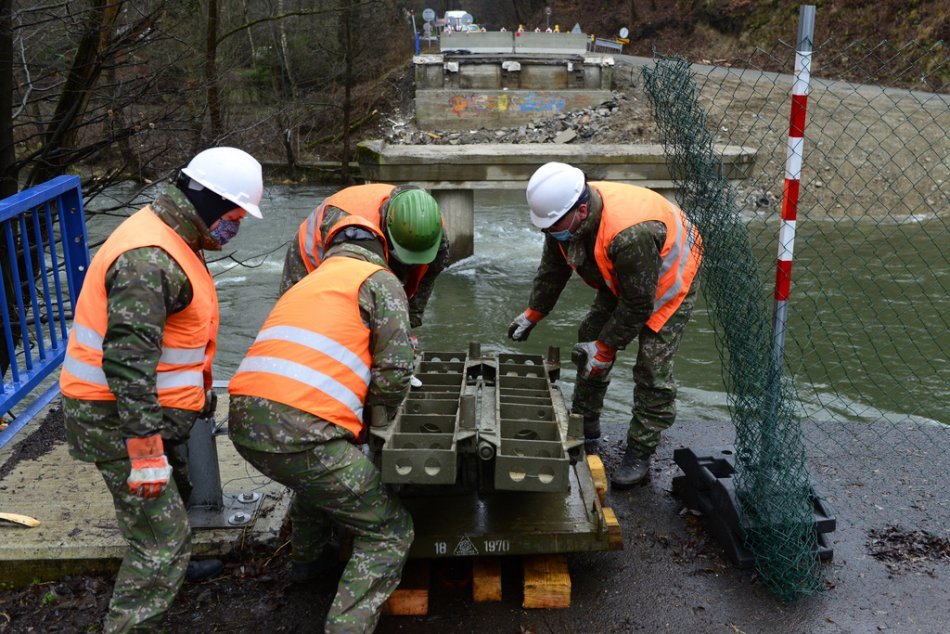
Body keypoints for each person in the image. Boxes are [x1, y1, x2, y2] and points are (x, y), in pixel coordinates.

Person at [59, 147, 265, 631]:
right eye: (235, 216)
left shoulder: (169, 232)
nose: (236, 226)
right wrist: (146, 449)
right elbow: (128, 363)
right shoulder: (149, 260)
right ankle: (137, 612)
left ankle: (174, 561)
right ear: (211, 202)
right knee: (159, 538)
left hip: (140, 411)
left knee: (174, 497)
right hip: (117, 419)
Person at [228, 215, 415, 633]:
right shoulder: (377, 280)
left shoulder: (307, 282)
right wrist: (376, 420)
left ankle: (307, 562)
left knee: (319, 479)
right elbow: (397, 370)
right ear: (382, 249)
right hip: (301, 431)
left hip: (243, 420)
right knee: (389, 529)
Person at [508, 162, 702, 489]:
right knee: (589, 338)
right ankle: (586, 427)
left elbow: (638, 304)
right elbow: (553, 269)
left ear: (582, 211)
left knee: (652, 367)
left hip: (671, 278)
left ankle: (640, 450)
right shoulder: (562, 218)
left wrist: (607, 348)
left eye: (554, 226)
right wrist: (534, 313)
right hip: (626, 273)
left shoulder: (629, 235)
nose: (550, 232)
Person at [280, 184, 447, 330]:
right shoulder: (352, 233)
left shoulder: (430, 228)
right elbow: (351, 300)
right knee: (308, 323)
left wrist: (409, 319)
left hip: (376, 248)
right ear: (388, 227)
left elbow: (430, 273)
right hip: (311, 263)